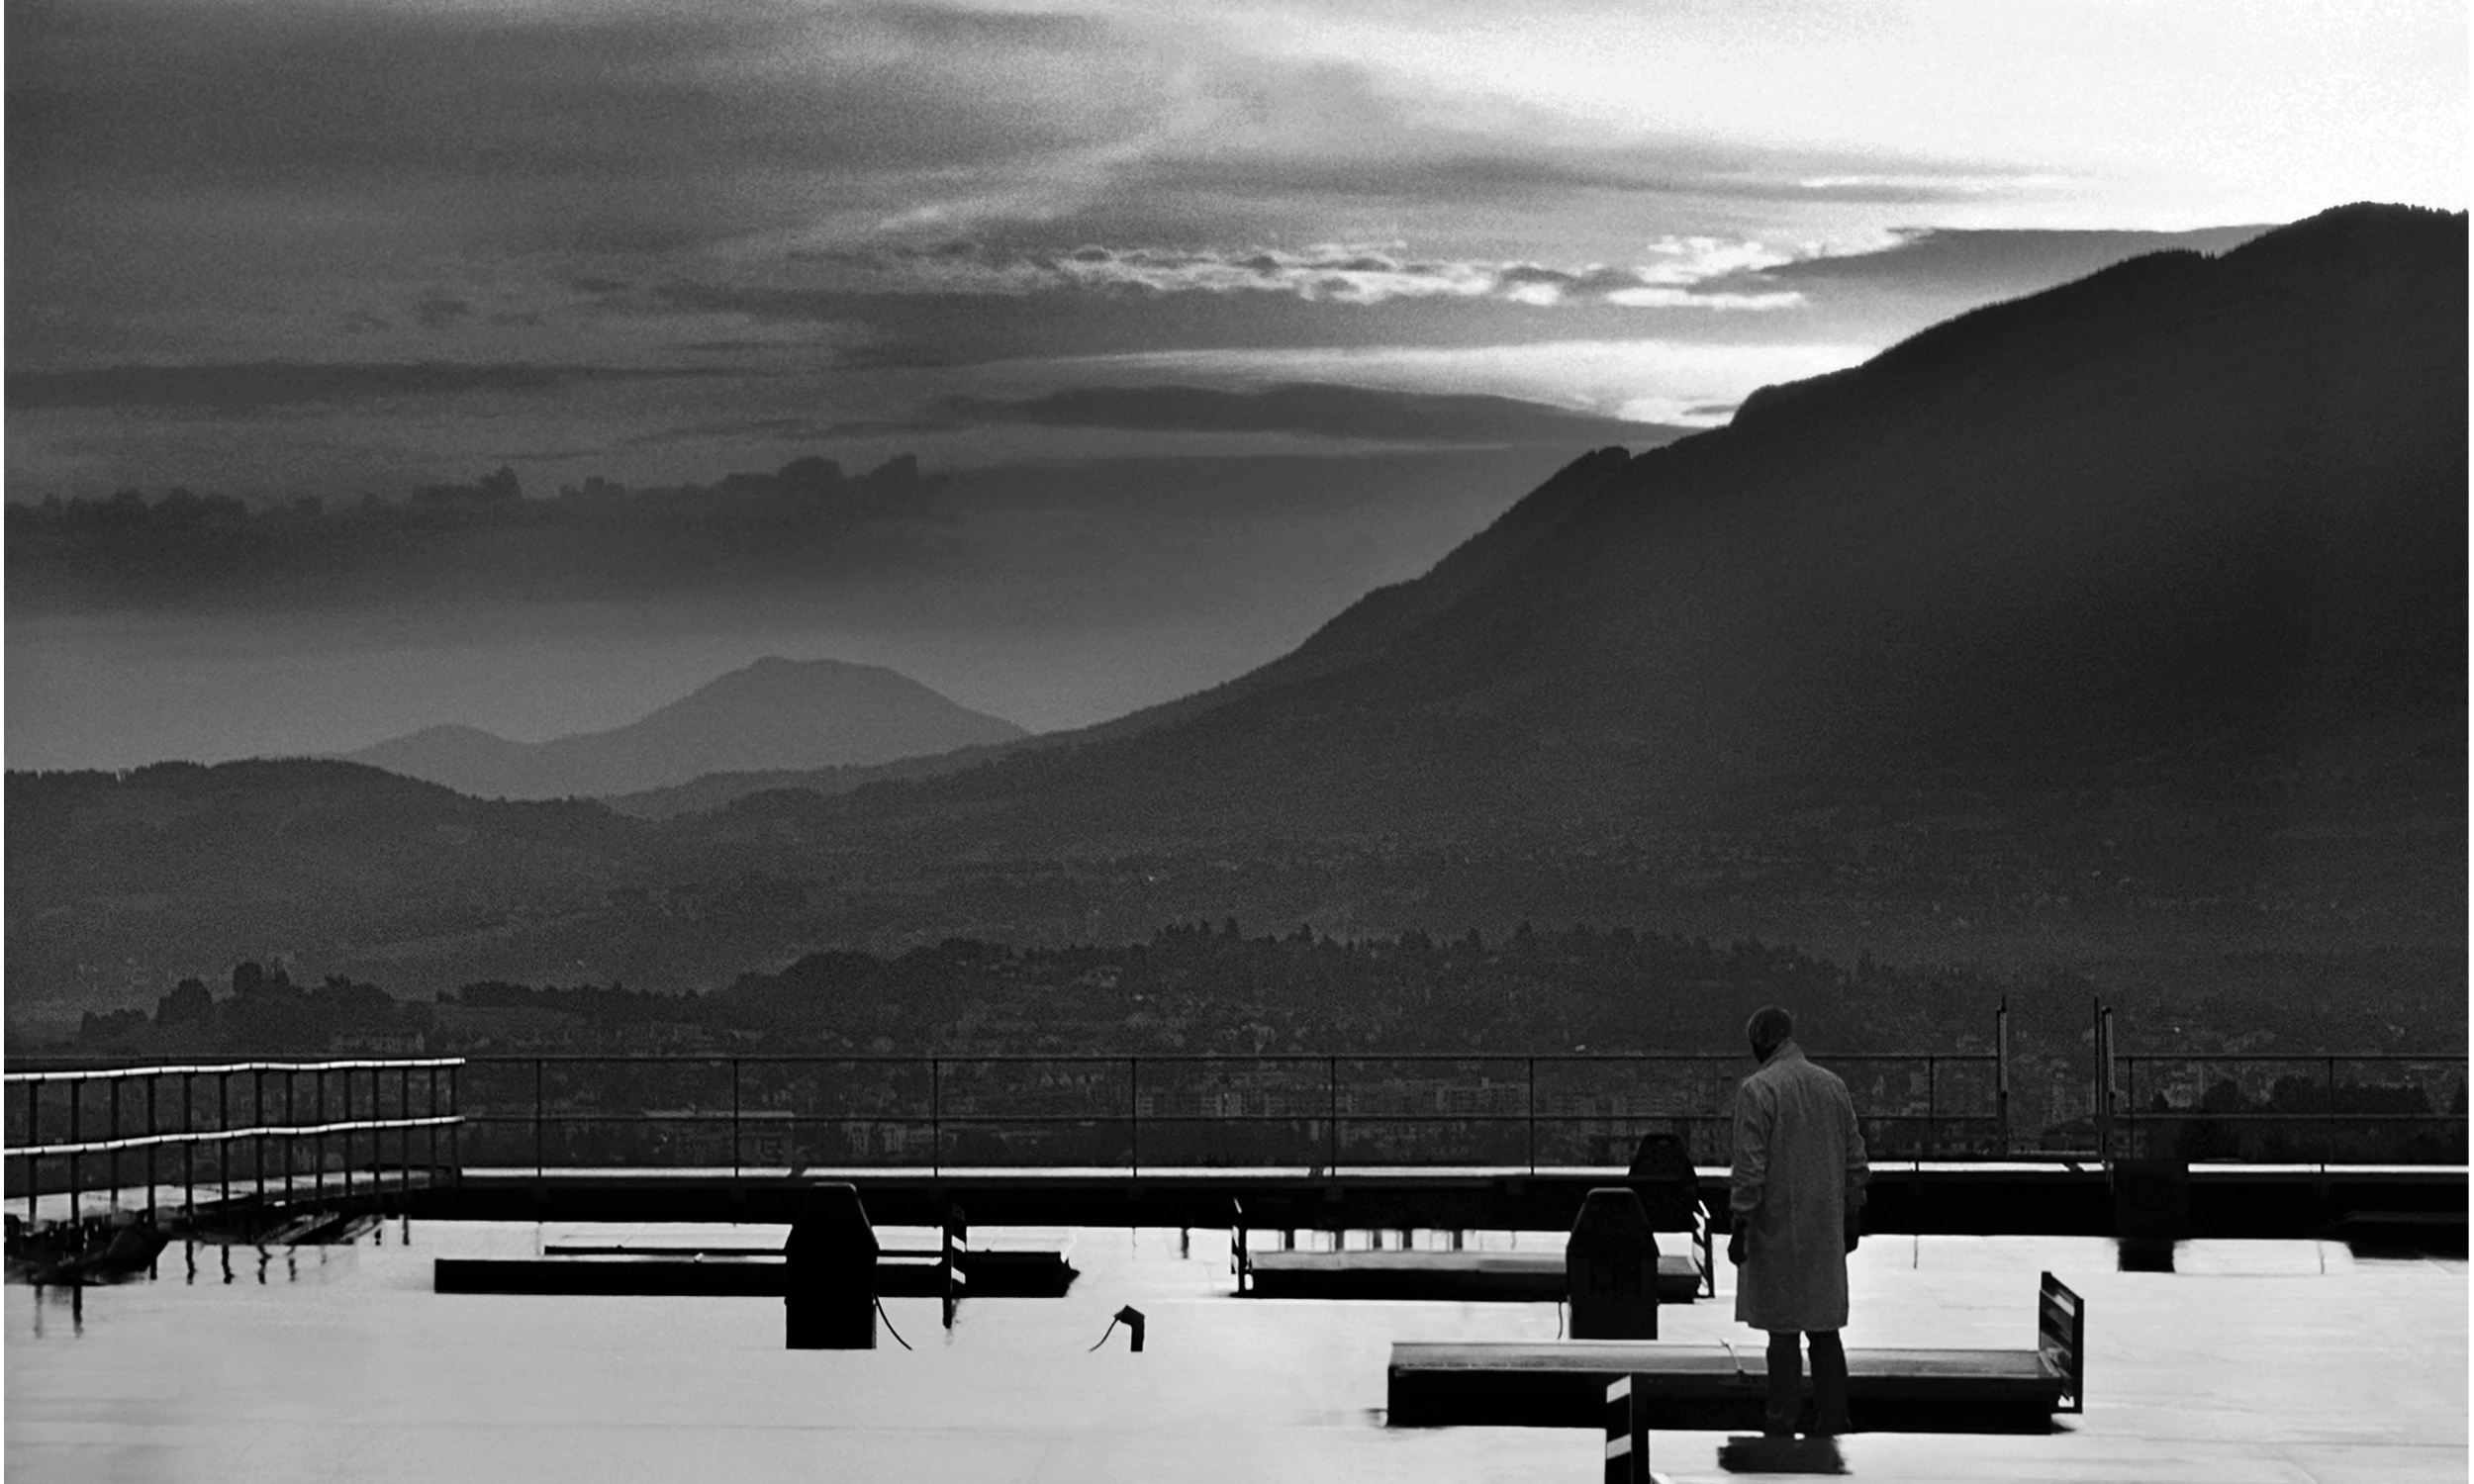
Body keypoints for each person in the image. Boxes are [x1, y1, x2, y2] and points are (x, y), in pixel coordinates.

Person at [1725, 1005, 1868, 1437]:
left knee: (1783, 1336)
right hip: (1825, 1228)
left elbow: (1750, 1169)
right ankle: (1834, 1419)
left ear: (1759, 1042)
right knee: (1825, 1334)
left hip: (1776, 1230)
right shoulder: (1832, 1086)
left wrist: (1739, 1226)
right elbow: (1855, 1160)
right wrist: (1852, 1215)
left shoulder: (1758, 1090)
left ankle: (1781, 1422)